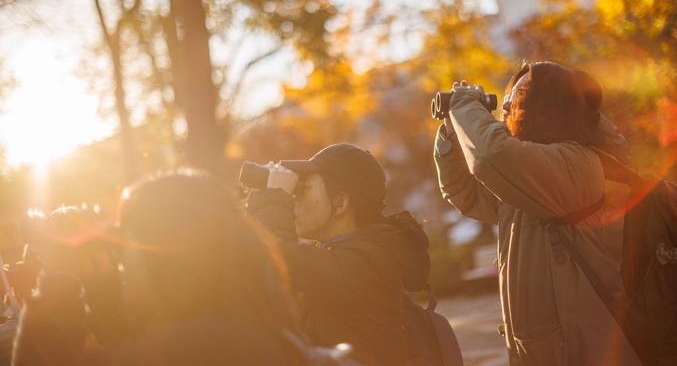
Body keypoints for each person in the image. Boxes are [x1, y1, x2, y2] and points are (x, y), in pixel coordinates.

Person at [433, 61, 641, 366]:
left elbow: (492, 156)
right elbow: (465, 193)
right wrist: (452, 132)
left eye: (512, 103)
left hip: (587, 352)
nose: (503, 112)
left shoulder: (576, 164)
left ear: (544, 108)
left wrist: (465, 103)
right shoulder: (532, 178)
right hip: (549, 351)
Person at [13, 171, 319, 366]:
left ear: (167, 255)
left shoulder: (204, 346)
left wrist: (57, 277)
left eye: (131, 244)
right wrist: (103, 290)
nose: (123, 261)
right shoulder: (244, 328)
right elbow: (140, 346)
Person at [245, 143, 431, 366]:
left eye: (303, 188)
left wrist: (273, 198)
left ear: (340, 202)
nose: (295, 199)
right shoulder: (339, 256)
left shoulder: (368, 263)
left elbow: (280, 260)